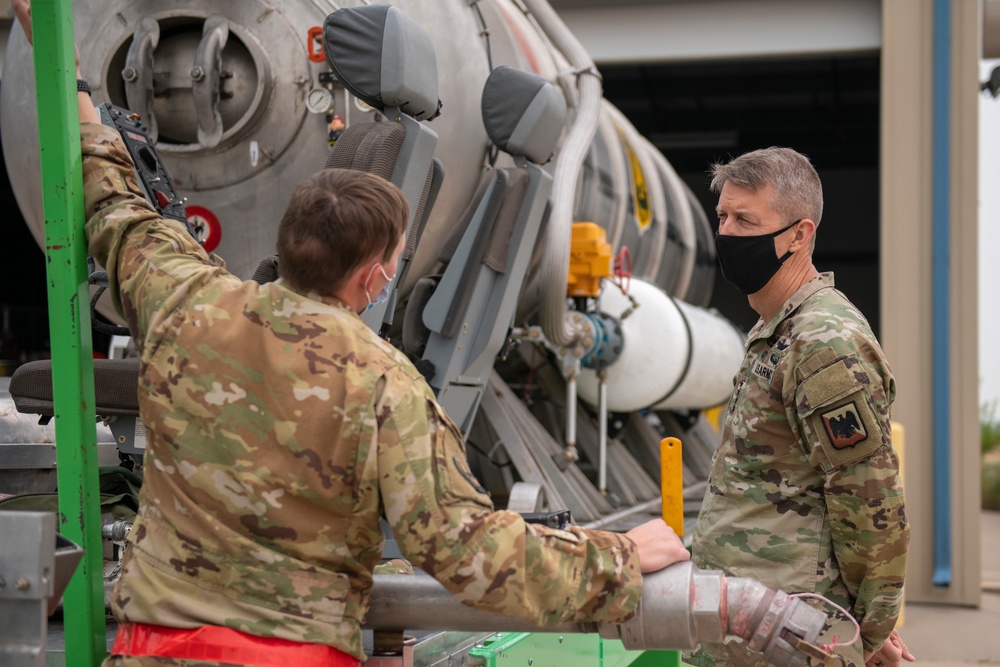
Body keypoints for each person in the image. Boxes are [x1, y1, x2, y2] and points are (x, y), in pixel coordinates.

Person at [12, 2, 689, 666]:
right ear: (376, 274)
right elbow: (466, 551)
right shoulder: (386, 384)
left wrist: (63, 66)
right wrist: (623, 558)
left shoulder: (185, 304)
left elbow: (113, 201)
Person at [687, 147, 912, 667]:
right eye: (723, 216)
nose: (728, 233)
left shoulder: (823, 341)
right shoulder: (775, 328)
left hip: (792, 636)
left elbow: (872, 511)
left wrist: (866, 636)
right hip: (745, 628)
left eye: (746, 220)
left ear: (798, 235)